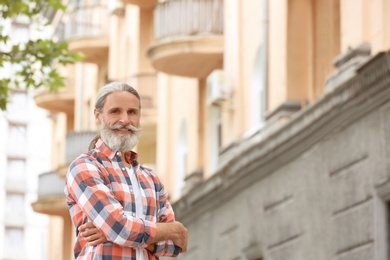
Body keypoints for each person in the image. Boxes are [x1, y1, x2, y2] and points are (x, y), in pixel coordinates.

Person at [64, 82, 188, 259]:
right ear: (98, 116)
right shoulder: (84, 167)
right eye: (115, 111)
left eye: (132, 112)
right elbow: (118, 227)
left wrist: (111, 233)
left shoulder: (151, 178)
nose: (125, 120)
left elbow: (176, 245)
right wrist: (168, 229)